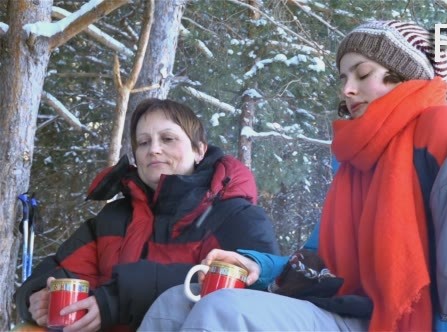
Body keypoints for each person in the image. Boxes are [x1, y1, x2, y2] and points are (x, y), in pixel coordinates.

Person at [140, 20, 447, 331]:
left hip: (400, 322)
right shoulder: (354, 164)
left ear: (404, 76)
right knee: (176, 302)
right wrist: (258, 267)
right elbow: (318, 262)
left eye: (362, 74)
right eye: (343, 78)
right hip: (342, 308)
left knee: (224, 312)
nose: (347, 89)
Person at [15, 98, 280, 332]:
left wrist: (114, 301)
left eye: (167, 139)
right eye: (143, 142)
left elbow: (255, 293)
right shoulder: (114, 217)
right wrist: (38, 295)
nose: (153, 149)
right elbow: (60, 270)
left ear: (199, 150)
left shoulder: (237, 216)